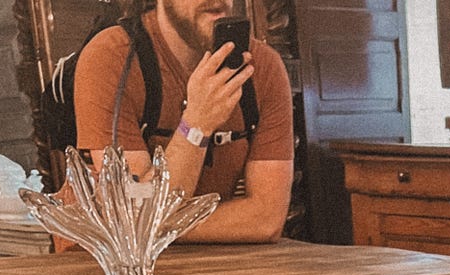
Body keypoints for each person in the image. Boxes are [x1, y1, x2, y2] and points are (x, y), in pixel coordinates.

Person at [72, 0, 293, 242]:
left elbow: (267, 220)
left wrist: (160, 226)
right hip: (105, 270)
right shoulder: (112, 56)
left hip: (220, 264)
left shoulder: (261, 66)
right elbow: (131, 216)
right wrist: (196, 125)